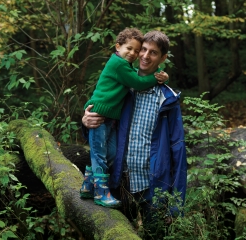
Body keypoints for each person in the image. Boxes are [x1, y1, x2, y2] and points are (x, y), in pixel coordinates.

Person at [82, 31, 187, 236]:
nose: (145, 56)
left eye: (153, 53)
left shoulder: (167, 99)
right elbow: (103, 131)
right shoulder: (123, 89)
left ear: (163, 58)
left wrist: (176, 204)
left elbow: (178, 150)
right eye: (143, 50)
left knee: (154, 234)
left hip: (154, 186)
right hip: (120, 183)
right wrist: (86, 119)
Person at [80, 28, 169, 208]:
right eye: (133, 49)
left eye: (137, 50)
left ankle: (88, 185)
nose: (136, 54)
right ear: (118, 46)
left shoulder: (167, 99)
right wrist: (157, 78)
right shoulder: (120, 66)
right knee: (99, 154)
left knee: (108, 153)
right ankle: (100, 192)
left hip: (109, 120)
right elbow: (136, 83)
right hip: (100, 116)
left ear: (162, 57)